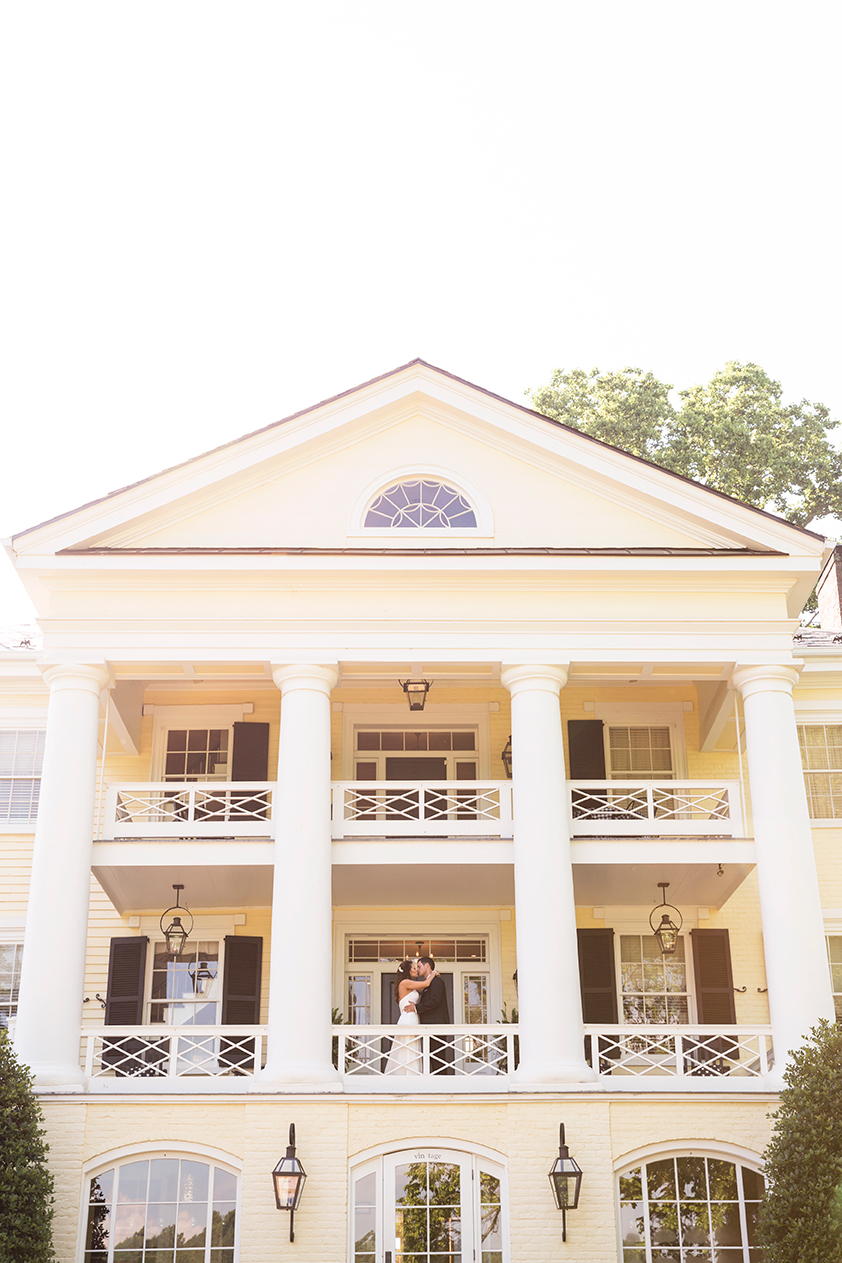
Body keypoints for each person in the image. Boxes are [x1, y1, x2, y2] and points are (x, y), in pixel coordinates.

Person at [383, 958, 439, 1076]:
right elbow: (426, 984)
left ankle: (413, 1074)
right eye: (414, 968)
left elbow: (423, 988)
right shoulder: (405, 983)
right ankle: (407, 1075)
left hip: (413, 1018)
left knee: (413, 1047)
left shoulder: (411, 985)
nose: (416, 970)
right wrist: (433, 973)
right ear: (408, 971)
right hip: (408, 1019)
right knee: (407, 1047)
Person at [414, 955, 453, 1074]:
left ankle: (442, 1087)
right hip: (428, 1027)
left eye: (419, 966)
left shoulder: (437, 982)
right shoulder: (428, 983)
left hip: (436, 1026)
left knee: (438, 1059)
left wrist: (416, 1007)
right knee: (431, 1058)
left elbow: (435, 1001)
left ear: (427, 966)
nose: (417, 969)